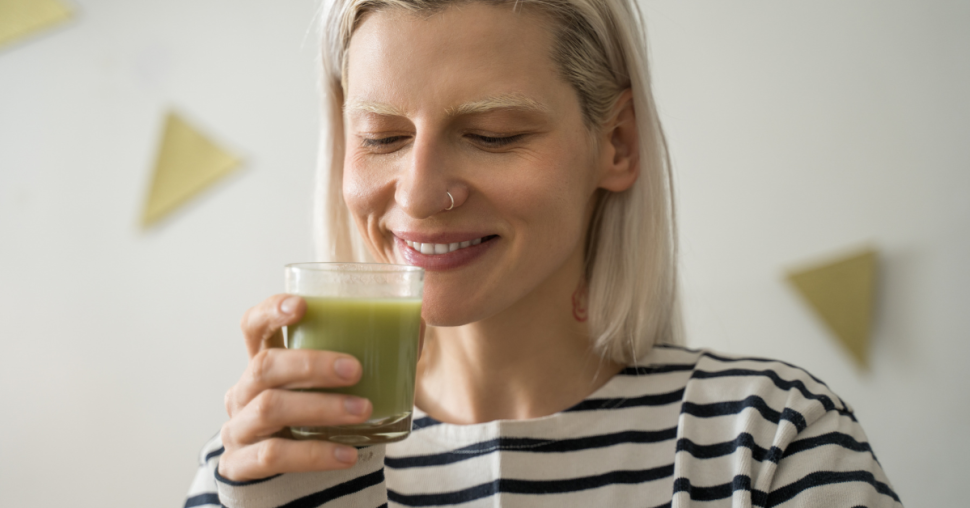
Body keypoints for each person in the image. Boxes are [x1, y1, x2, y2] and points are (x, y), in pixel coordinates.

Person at [185, 0, 901, 506]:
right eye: (382, 137)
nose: (422, 191)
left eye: (493, 134)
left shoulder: (773, 441)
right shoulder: (259, 465)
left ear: (616, 143)